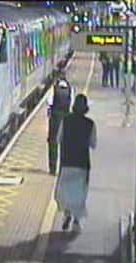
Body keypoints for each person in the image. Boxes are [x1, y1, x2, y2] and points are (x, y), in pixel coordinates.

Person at [54, 94, 97, 232]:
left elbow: (58, 139)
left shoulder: (65, 121)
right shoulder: (90, 124)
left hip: (67, 162)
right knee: (79, 193)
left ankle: (67, 214)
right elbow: (93, 144)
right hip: (82, 164)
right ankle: (77, 221)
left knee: (66, 192)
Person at [46, 67, 74, 175]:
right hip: (66, 119)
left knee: (53, 143)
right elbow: (71, 105)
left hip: (55, 119)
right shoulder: (70, 89)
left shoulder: (53, 89)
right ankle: (63, 168)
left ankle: (52, 168)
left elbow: (49, 102)